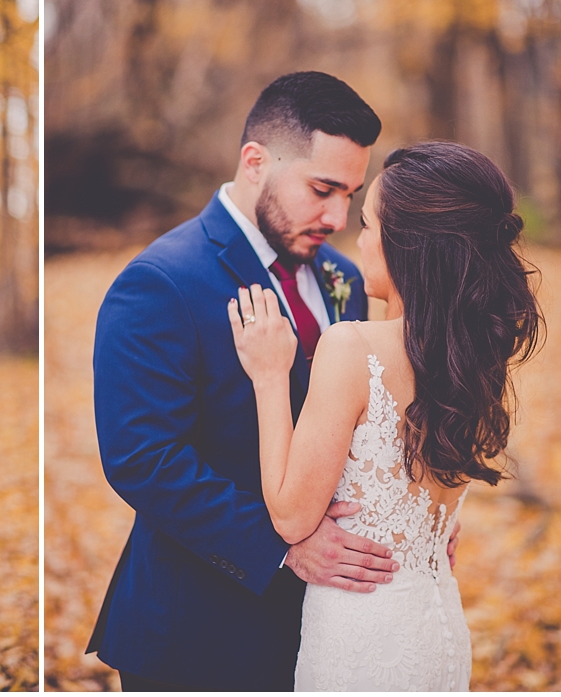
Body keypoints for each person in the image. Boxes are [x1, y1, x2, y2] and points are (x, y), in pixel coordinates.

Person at [90, 72, 397, 692]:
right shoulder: (160, 281)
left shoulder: (344, 275)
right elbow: (142, 459)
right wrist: (281, 546)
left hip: (330, 631)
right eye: (322, 189)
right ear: (255, 161)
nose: (337, 216)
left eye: (351, 195)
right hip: (201, 629)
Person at [230, 141, 542, 691]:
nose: (358, 238)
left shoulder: (351, 347)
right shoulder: (471, 356)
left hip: (363, 637)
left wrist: (269, 376)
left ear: (406, 246)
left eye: (369, 224)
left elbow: (291, 518)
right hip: (440, 627)